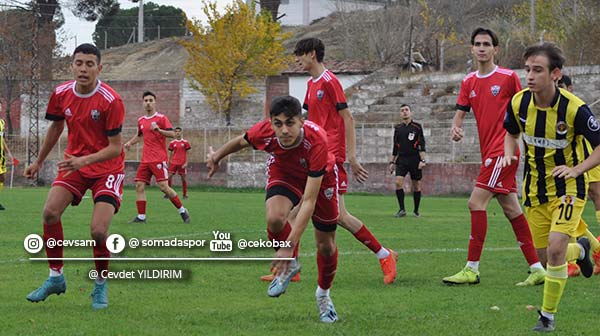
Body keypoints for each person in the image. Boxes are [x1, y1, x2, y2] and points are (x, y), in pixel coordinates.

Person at [207, 96, 340, 323]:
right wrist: (217, 156)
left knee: (325, 246)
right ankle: (290, 267)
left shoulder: (316, 141)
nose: (284, 130)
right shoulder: (265, 132)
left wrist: (288, 246)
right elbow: (241, 141)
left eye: (290, 123)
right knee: (275, 218)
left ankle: (323, 296)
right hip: (284, 171)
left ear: (301, 122)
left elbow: (308, 201)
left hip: (321, 178)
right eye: (278, 123)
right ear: (271, 123)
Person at [503, 42, 599, 332]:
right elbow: (510, 132)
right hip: (534, 190)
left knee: (557, 248)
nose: (530, 76)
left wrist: (577, 169)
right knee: (547, 258)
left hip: (569, 187)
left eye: (537, 70)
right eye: (527, 69)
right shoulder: (519, 102)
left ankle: (547, 317)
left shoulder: (574, 108)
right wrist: (510, 152)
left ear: (555, 74)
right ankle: (582, 251)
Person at [24, 43, 125, 309]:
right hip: (75, 165)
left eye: (89, 64)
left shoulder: (111, 100)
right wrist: (38, 161)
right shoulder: (60, 94)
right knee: (49, 213)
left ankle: (100, 286)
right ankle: (56, 277)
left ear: (99, 68)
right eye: (79, 63)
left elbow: (115, 147)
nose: (83, 69)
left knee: (99, 231)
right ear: (72, 65)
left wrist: (85, 160)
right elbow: (57, 127)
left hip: (107, 168)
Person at [443, 28, 545, 286]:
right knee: (511, 209)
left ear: (495, 49)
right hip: (488, 152)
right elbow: (461, 110)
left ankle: (471, 269)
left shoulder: (509, 77)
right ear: (472, 48)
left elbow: (526, 107)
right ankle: (537, 268)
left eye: (486, 44)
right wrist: (456, 127)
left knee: (475, 203)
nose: (481, 48)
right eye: (477, 43)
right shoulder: (469, 81)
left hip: (504, 152)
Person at [292, 37, 398, 285]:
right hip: (315, 155)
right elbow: (310, 118)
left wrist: (351, 156)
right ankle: (291, 268)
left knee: (337, 215)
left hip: (332, 157)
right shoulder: (310, 84)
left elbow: (347, 118)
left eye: (299, 54)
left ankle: (385, 255)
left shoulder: (330, 82)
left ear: (312, 54)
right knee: (296, 210)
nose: (296, 59)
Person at [124, 91, 190, 223]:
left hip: (159, 159)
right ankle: (141, 217)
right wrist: (130, 142)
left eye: (150, 100)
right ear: (143, 103)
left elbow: (172, 134)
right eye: (146, 100)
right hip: (145, 160)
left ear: (155, 102)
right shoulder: (141, 120)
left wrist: (159, 130)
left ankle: (182, 210)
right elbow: (140, 135)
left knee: (164, 187)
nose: (148, 103)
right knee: (139, 186)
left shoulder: (161, 118)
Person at [557, 75, 600, 277]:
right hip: (568, 166)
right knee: (569, 213)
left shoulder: (576, 109)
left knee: (596, 195)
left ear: (571, 88)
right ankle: (585, 254)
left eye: (562, 86)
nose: (559, 90)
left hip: (586, 160)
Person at [388, 104, 426, 217]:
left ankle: (416, 211)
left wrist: (423, 160)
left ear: (411, 112)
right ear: (400, 113)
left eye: (406, 110)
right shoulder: (398, 128)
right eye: (402, 110)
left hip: (415, 159)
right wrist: (392, 162)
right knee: (398, 183)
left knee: (416, 185)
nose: (404, 112)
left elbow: (422, 145)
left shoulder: (417, 127)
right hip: (402, 159)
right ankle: (402, 210)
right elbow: (395, 146)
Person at [167, 127, 191, 199]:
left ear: (181, 132)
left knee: (183, 179)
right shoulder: (172, 143)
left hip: (182, 163)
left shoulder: (185, 142)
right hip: (173, 163)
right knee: (169, 177)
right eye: (176, 131)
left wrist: (186, 162)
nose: (178, 133)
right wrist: (169, 161)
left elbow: (188, 153)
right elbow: (170, 153)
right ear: (175, 133)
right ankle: (168, 194)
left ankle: (184, 194)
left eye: (179, 131)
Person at [0, 111, 14, 210]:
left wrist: (8, 152)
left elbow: (2, 139)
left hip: (1, 156)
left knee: (1, 178)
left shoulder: (2, 122)